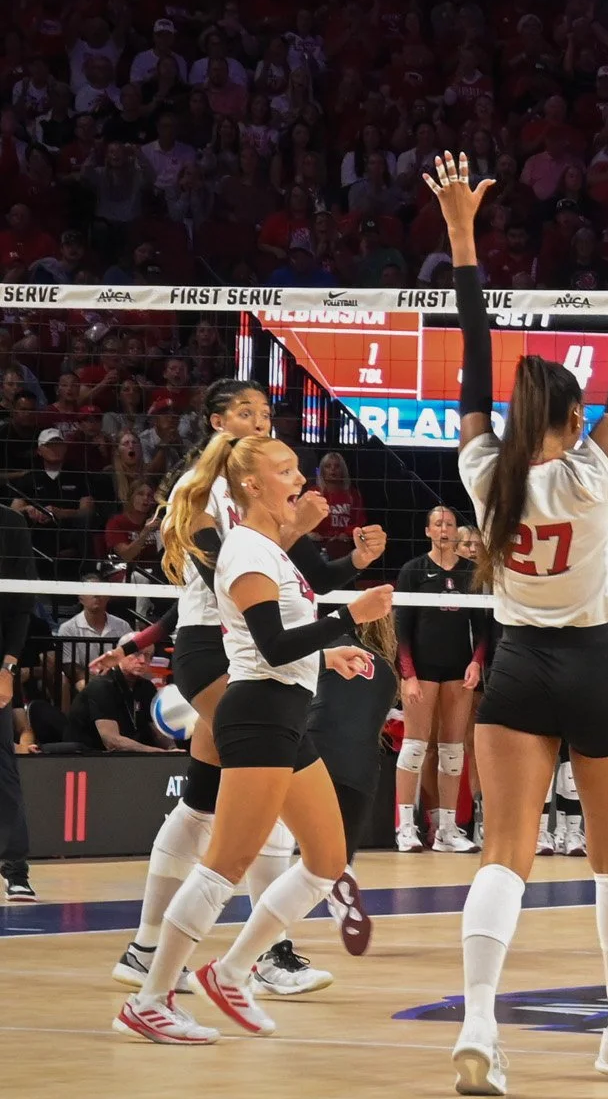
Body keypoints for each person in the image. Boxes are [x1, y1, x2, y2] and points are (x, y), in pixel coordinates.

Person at [435, 149, 608, 1096]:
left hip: (515, 672)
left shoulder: (482, 474)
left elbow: (470, 359)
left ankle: (476, 1024)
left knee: (505, 854)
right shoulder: (591, 476)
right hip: (592, 666)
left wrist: (462, 237)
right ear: (574, 418)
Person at [104, 378, 385, 996]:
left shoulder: (266, 493)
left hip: (245, 645)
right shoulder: (201, 492)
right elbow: (234, 576)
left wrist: (351, 565)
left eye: (265, 411)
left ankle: (146, 947)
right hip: (221, 649)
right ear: (215, 422)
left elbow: (301, 577)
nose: (260, 421)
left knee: (203, 800)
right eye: (245, 412)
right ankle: (264, 956)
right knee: (269, 794)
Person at [393, 505, 485, 852]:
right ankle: (405, 828)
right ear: (428, 531)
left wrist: (477, 662)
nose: (444, 529)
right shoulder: (412, 571)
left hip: (458, 669)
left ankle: (447, 830)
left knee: (452, 751)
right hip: (423, 670)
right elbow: (402, 629)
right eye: (438, 524)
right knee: (416, 746)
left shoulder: (471, 573)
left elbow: (484, 627)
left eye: (449, 524)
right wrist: (409, 674)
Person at [309, 611, 400, 957]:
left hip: (317, 752)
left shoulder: (327, 649)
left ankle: (273, 945)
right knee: (337, 855)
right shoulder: (390, 675)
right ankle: (340, 877)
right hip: (363, 767)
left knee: (281, 841)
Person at [0, 503, 31, 903]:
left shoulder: (10, 523)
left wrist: (7, 665)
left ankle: (15, 870)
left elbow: (22, 604)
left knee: (3, 770)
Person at [67, 650, 179, 751]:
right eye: (136, 653)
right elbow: (111, 741)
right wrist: (155, 752)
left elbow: (157, 730)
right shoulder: (101, 686)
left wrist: (172, 749)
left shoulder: (146, 687)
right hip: (89, 756)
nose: (142, 660)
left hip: (131, 757)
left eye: (148, 655)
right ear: (120, 654)